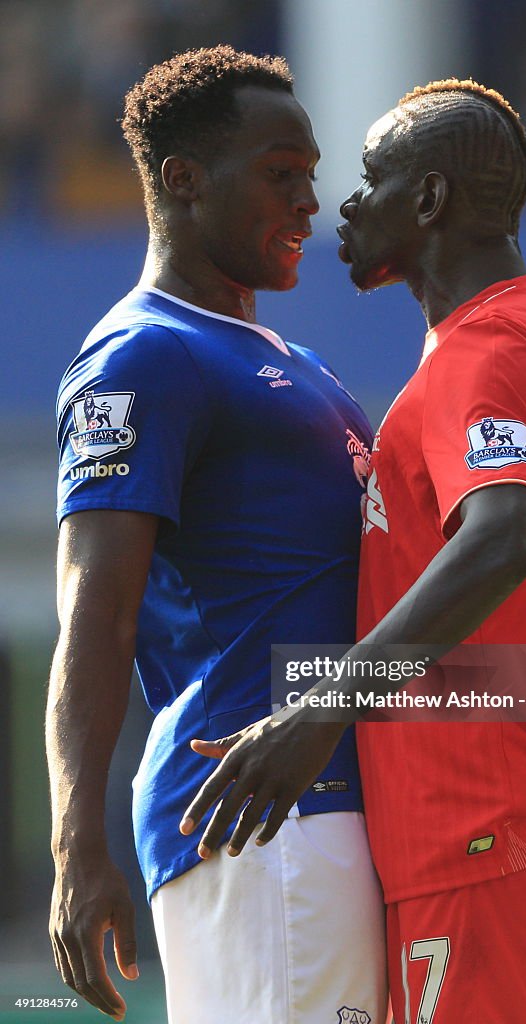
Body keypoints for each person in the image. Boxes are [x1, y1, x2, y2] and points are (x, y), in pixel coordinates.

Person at [180, 80, 526, 1023]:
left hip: (481, 848)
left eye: (372, 178)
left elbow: (500, 544)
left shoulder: (482, 354)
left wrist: (317, 710)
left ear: (431, 199)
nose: (347, 204)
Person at [46, 46, 388, 1024]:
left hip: (334, 809)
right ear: (183, 180)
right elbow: (94, 616)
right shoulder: (141, 354)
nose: (308, 204)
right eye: (281, 175)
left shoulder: (301, 361)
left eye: (311, 178)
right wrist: (79, 847)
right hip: (256, 819)